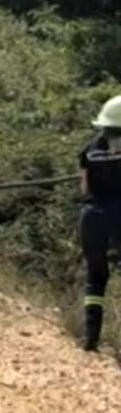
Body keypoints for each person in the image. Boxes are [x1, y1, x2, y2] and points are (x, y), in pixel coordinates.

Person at [77, 95, 121, 352]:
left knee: (96, 276)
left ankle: (90, 338)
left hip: (92, 216)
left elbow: (84, 189)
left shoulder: (88, 150)